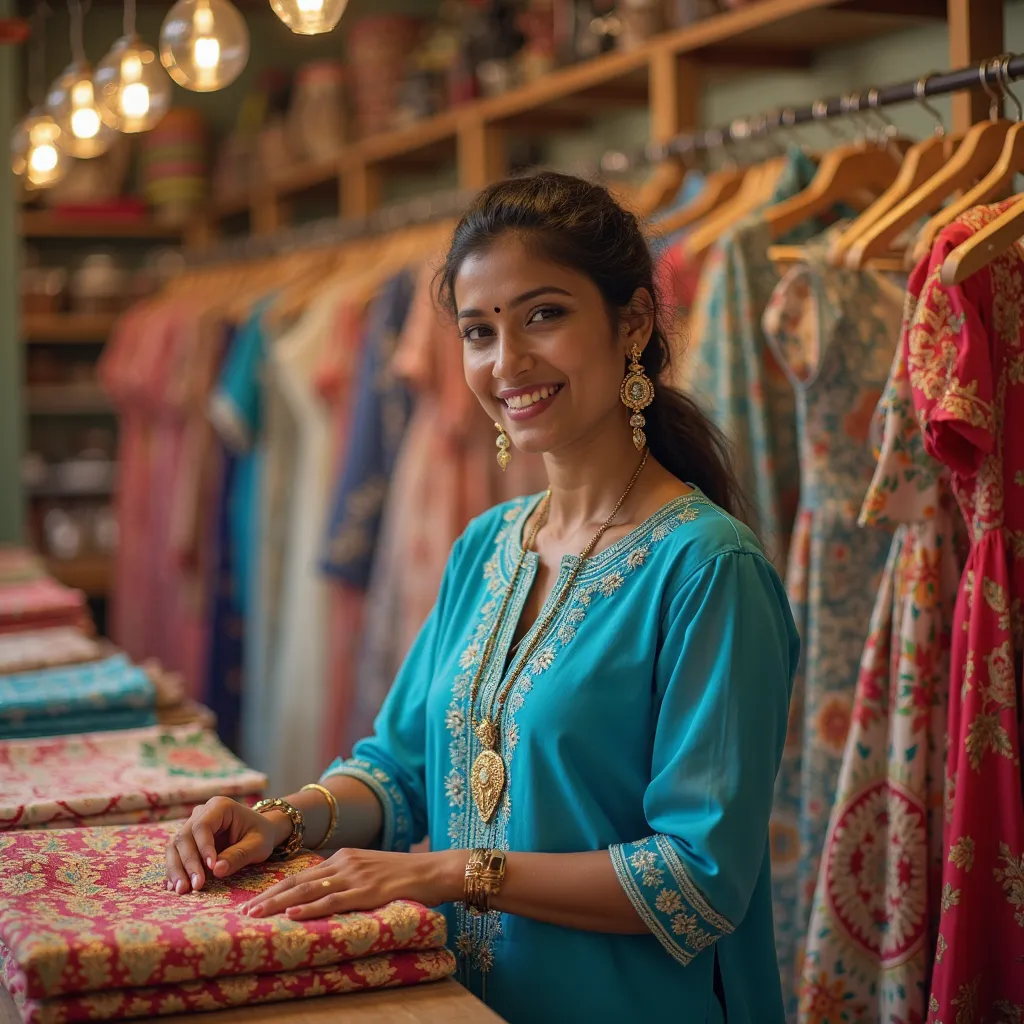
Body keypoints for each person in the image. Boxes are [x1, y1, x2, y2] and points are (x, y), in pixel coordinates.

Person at [165, 171, 798, 1023]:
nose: (509, 363)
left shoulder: (707, 569)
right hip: (457, 1000)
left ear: (634, 321)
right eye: (478, 330)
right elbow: (399, 771)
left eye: (544, 314)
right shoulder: (489, 547)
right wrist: (281, 820)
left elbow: (700, 877)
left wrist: (448, 871)